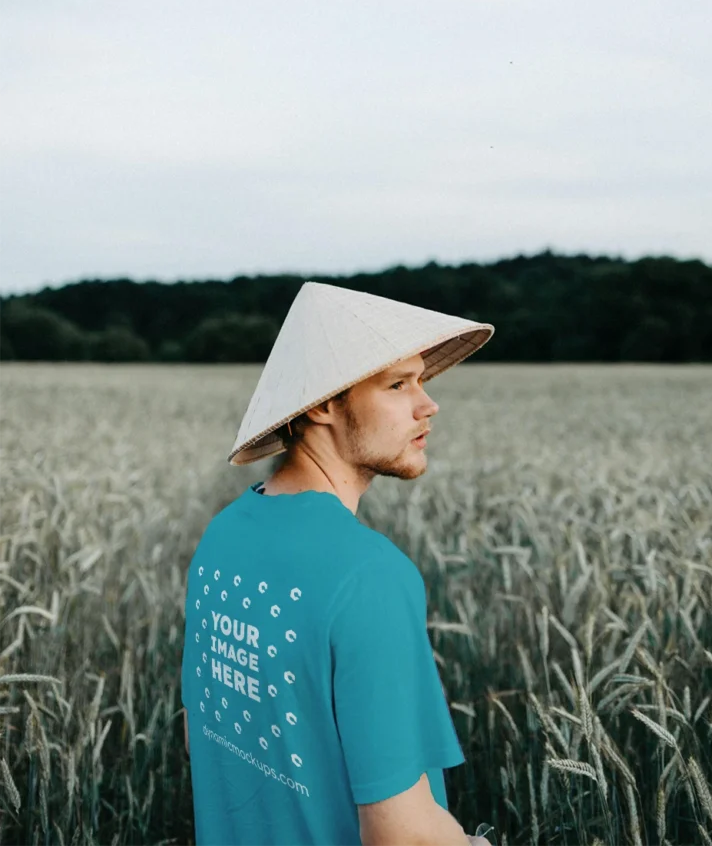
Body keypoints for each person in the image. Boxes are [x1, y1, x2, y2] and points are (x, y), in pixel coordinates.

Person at [181, 281, 495, 845]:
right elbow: (403, 835)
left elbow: (214, 741)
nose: (429, 404)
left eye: (422, 380)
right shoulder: (369, 574)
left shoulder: (221, 537)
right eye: (398, 384)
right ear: (324, 402)